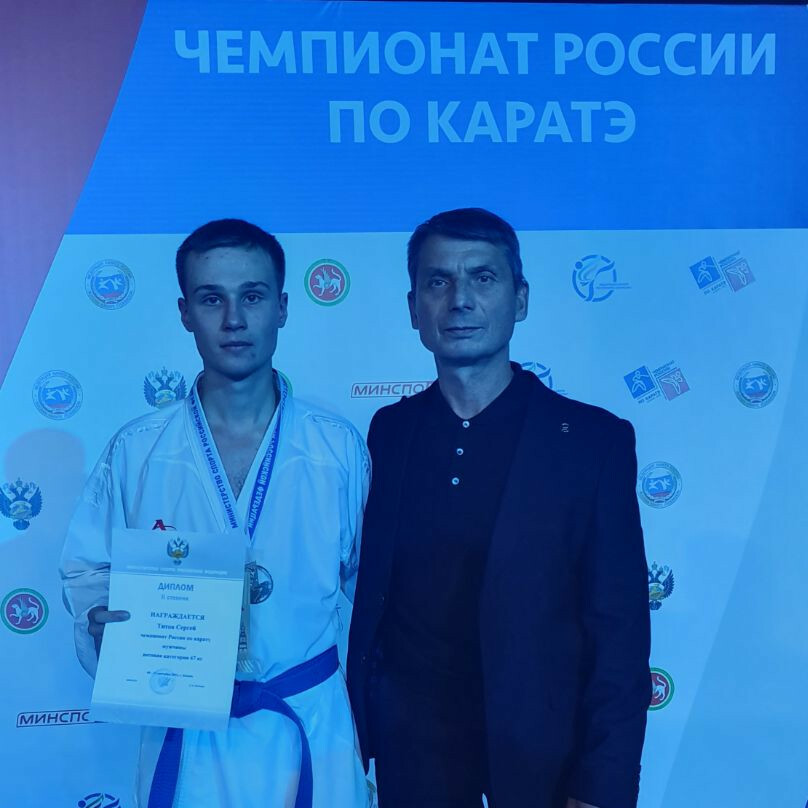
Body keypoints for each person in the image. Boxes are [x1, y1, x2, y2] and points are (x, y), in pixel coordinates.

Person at [60, 219, 370, 808]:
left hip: (309, 725)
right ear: (184, 313)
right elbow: (88, 573)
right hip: (187, 731)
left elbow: (374, 597)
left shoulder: (337, 450)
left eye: (252, 296)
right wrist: (98, 622)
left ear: (282, 307)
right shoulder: (137, 452)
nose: (233, 319)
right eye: (211, 299)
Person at [347, 208, 651, 808]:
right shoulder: (390, 432)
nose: (459, 300)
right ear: (413, 308)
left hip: (546, 761)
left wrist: (602, 785)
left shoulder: (592, 442)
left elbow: (619, 633)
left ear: (521, 299)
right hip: (413, 760)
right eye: (438, 281)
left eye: (483, 278)